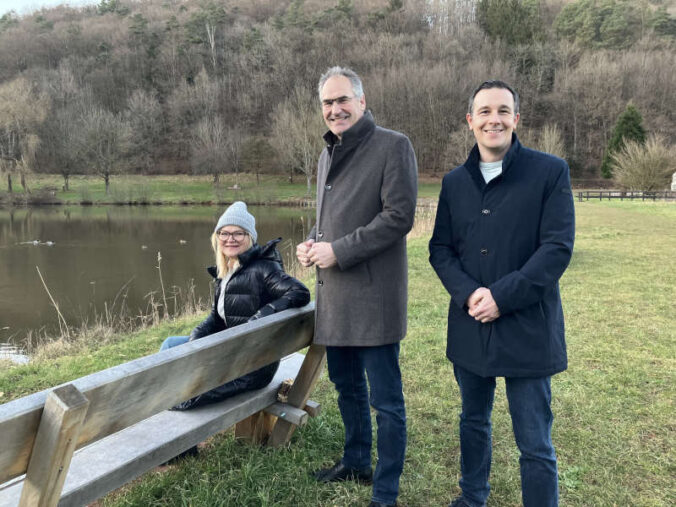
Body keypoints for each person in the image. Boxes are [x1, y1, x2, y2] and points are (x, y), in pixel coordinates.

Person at [429, 80, 575, 507]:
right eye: (485, 111)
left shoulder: (550, 172)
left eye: (503, 110)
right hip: (470, 323)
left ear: (516, 118)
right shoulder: (454, 182)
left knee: (534, 439)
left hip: (528, 325)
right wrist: (470, 293)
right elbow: (440, 249)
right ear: (470, 121)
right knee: (473, 421)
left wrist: (502, 296)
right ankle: (472, 497)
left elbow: (556, 249)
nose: (495, 119)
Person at [296, 66, 417, 507]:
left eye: (342, 99)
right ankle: (356, 461)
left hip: (374, 298)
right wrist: (313, 241)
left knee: (386, 402)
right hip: (336, 299)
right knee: (347, 388)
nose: (335, 109)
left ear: (362, 102)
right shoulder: (327, 153)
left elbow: (398, 217)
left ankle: (385, 492)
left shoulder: (393, 146)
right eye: (327, 103)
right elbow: (331, 219)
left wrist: (338, 251)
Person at [160, 200, 310, 413]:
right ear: (217, 237)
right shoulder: (227, 270)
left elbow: (299, 292)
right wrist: (196, 338)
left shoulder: (264, 267)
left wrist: (260, 317)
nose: (230, 239)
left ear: (250, 237)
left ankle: (181, 443)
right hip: (231, 351)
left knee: (177, 393)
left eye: (238, 233)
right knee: (170, 345)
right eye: (224, 233)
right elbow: (216, 318)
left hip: (250, 365)